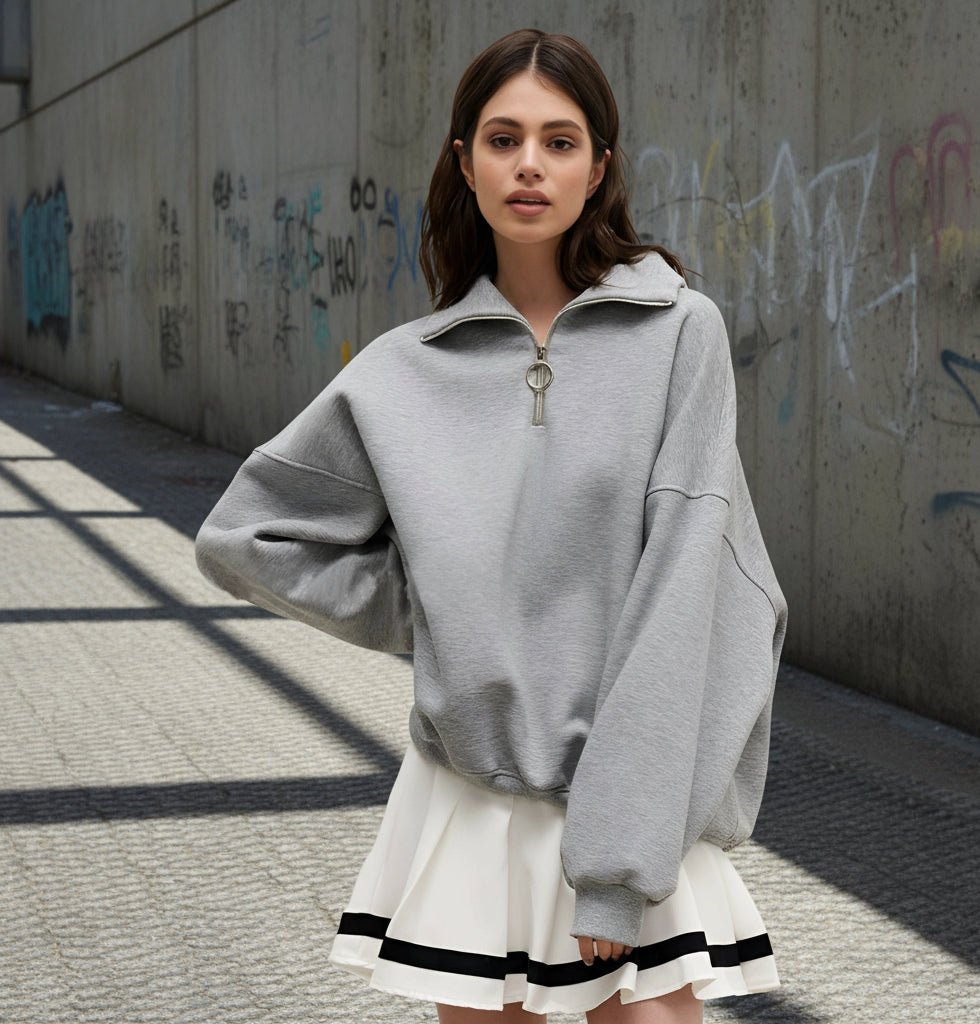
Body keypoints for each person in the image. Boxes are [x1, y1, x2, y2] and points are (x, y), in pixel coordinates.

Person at [194, 27, 787, 1024]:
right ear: (462, 160)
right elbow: (246, 537)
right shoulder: (403, 368)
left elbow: (694, 592)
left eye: (559, 141)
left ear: (599, 167)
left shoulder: (680, 335)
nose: (528, 164)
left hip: (629, 800)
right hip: (474, 800)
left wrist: (614, 864)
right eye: (503, 138)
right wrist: (442, 617)